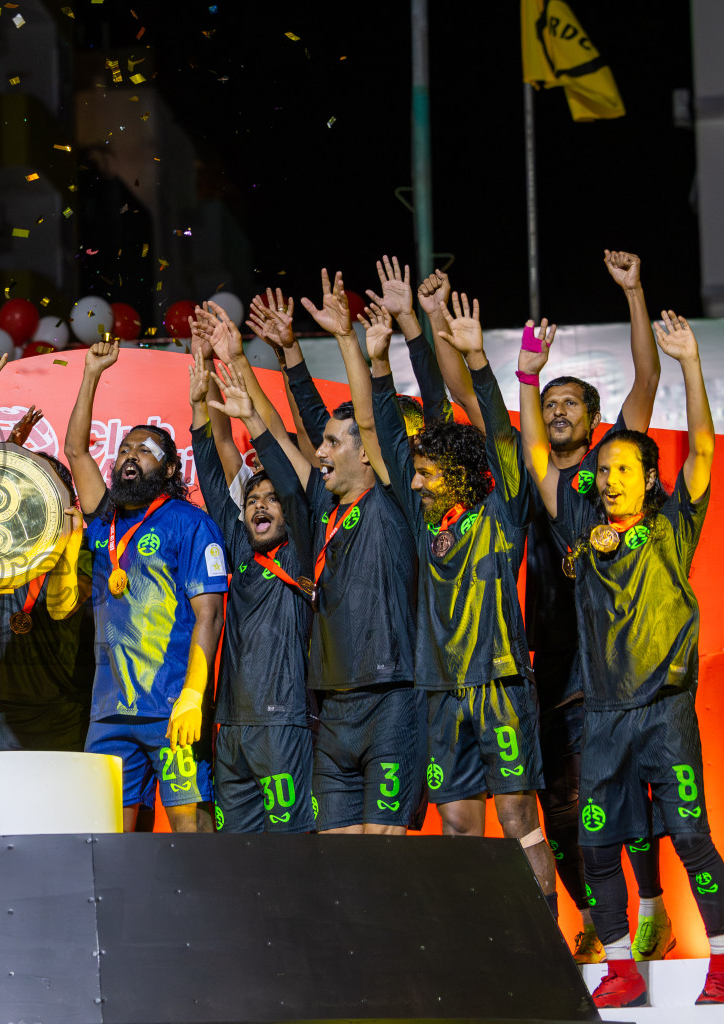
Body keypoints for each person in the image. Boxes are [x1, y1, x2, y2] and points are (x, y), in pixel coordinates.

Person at [522, 310, 724, 1008]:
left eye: (620, 469)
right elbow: (537, 460)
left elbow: (701, 444)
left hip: (663, 715)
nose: (607, 480)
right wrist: (526, 372)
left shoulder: (673, 525)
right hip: (602, 720)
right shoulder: (580, 525)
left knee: (693, 841)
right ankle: (618, 967)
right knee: (598, 847)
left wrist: (691, 364)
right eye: (602, 471)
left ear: (647, 476)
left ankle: (721, 964)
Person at [365, 295, 558, 911]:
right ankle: (482, 950)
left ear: (455, 473)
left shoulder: (501, 516)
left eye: (424, 473)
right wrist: (379, 360)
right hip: (439, 688)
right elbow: (390, 435)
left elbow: (503, 439)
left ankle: (549, 952)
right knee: (456, 825)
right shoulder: (426, 527)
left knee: (517, 812)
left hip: (499, 680)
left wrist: (478, 361)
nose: (414, 481)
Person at [273, 270, 423, 835]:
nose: (322, 451)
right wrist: (285, 355)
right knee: (340, 867)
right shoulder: (326, 510)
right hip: (332, 707)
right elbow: (314, 426)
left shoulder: (392, 499)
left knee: (384, 860)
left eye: (335, 445)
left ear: (368, 454)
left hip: (390, 702)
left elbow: (365, 421)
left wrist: (348, 342)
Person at [63, 339, 227, 833]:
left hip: (173, 710)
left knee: (189, 830)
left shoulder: (190, 523)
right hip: (110, 712)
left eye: (146, 450)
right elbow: (74, 450)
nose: (131, 456)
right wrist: (91, 373)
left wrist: (194, 696)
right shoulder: (104, 521)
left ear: (171, 469)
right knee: (107, 836)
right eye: (125, 449)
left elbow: (209, 616)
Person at [188, 345, 315, 834]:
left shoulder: (303, 548)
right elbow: (208, 466)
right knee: (236, 857)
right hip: (230, 725)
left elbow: (287, 471)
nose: (261, 507)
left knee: (292, 850)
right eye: (253, 500)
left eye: (273, 499)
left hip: (284, 724)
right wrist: (200, 403)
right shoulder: (239, 545)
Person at [0, 352, 93, 752]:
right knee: (4, 813)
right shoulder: (5, 543)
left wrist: (69, 542)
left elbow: (65, 604)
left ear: (67, 497)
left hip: (71, 707)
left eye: (45, 482)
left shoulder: (85, 544)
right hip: (15, 709)